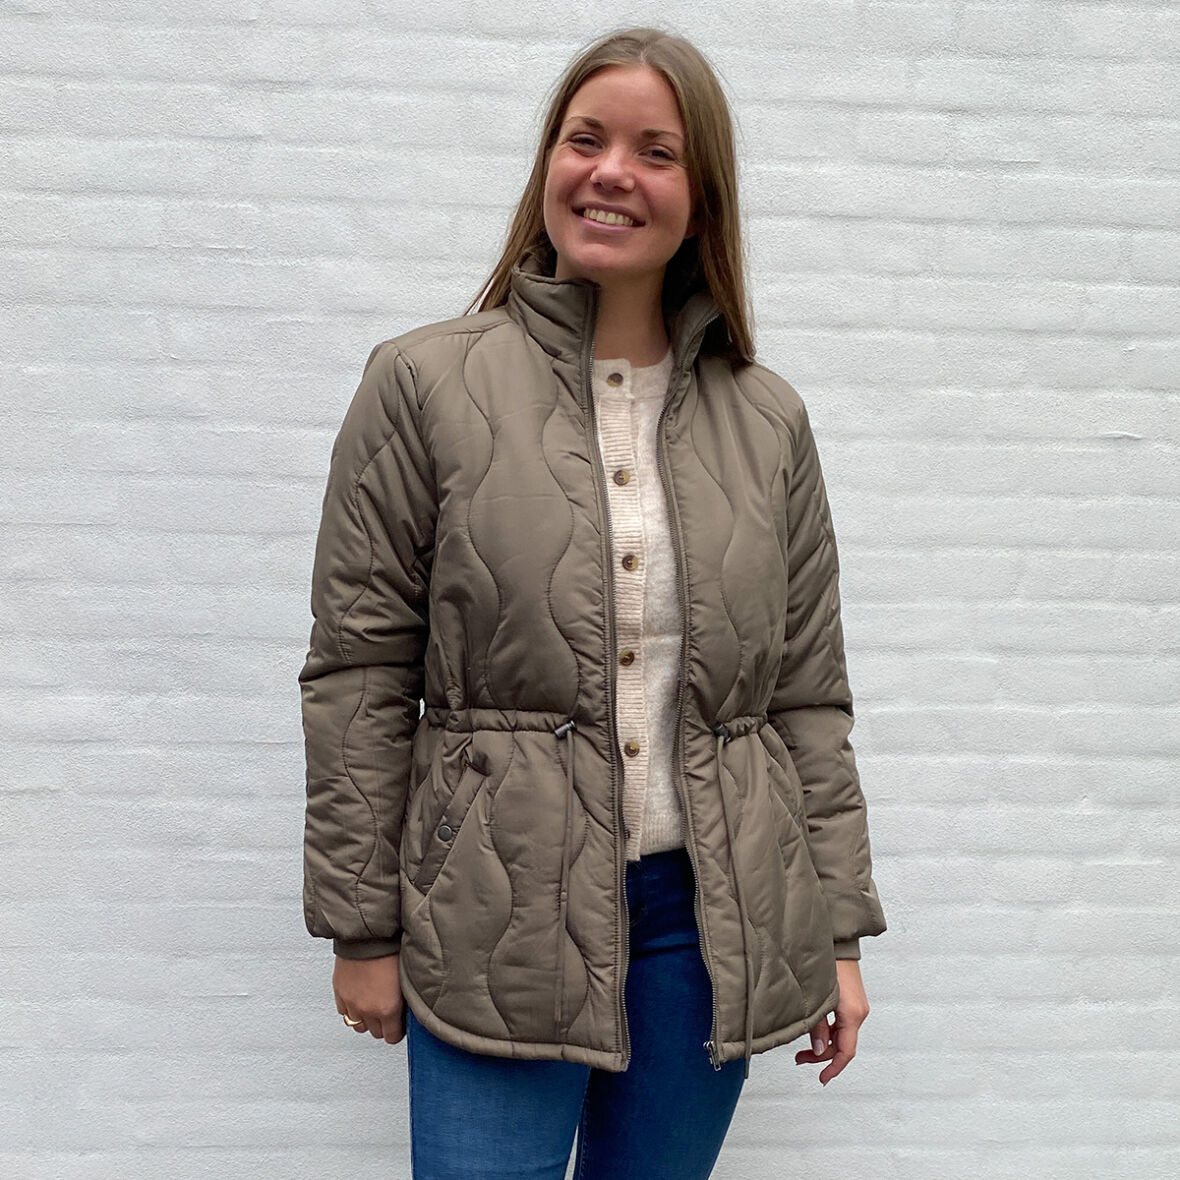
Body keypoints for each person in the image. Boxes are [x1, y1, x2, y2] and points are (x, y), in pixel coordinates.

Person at [299, 25, 887, 1180]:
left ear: (701, 200)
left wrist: (835, 932)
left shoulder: (767, 419)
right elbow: (360, 672)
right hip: (494, 914)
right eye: (585, 139)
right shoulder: (424, 383)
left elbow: (805, 699)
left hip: (707, 924)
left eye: (655, 151)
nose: (612, 171)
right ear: (548, 165)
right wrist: (361, 926)